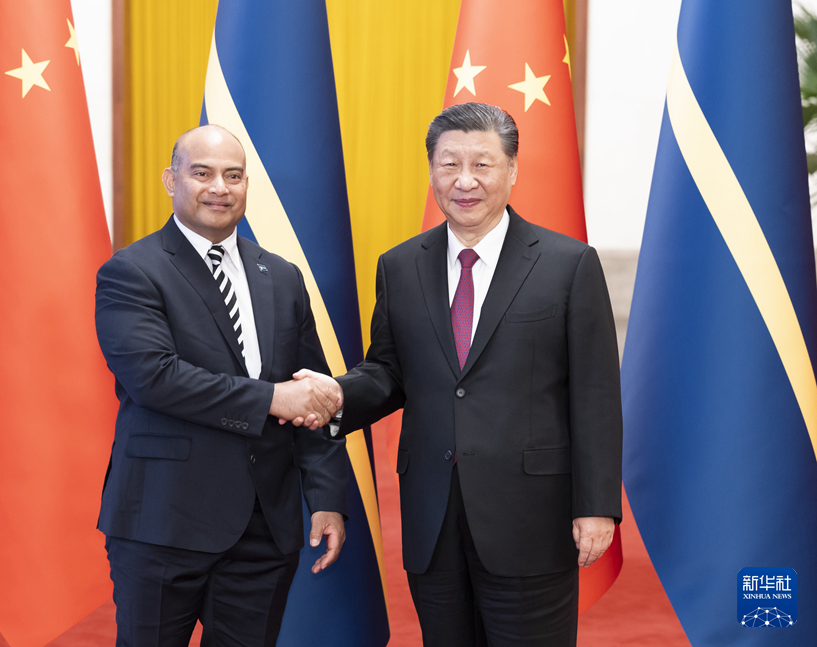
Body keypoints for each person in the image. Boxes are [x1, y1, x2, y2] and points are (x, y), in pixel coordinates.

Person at [296, 102, 622, 646]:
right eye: (449, 165)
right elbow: (389, 371)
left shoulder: (568, 264)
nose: (464, 181)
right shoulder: (399, 266)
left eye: (482, 164)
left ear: (512, 171)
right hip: (433, 516)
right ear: (431, 171)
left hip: (531, 519)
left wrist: (597, 507)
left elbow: (595, 395)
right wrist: (334, 395)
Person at [94, 124, 348, 647]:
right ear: (171, 180)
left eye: (233, 176)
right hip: (163, 524)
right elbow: (155, 379)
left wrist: (326, 497)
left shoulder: (281, 276)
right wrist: (273, 398)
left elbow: (312, 393)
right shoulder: (131, 272)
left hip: (263, 529)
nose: (219, 188)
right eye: (202, 173)